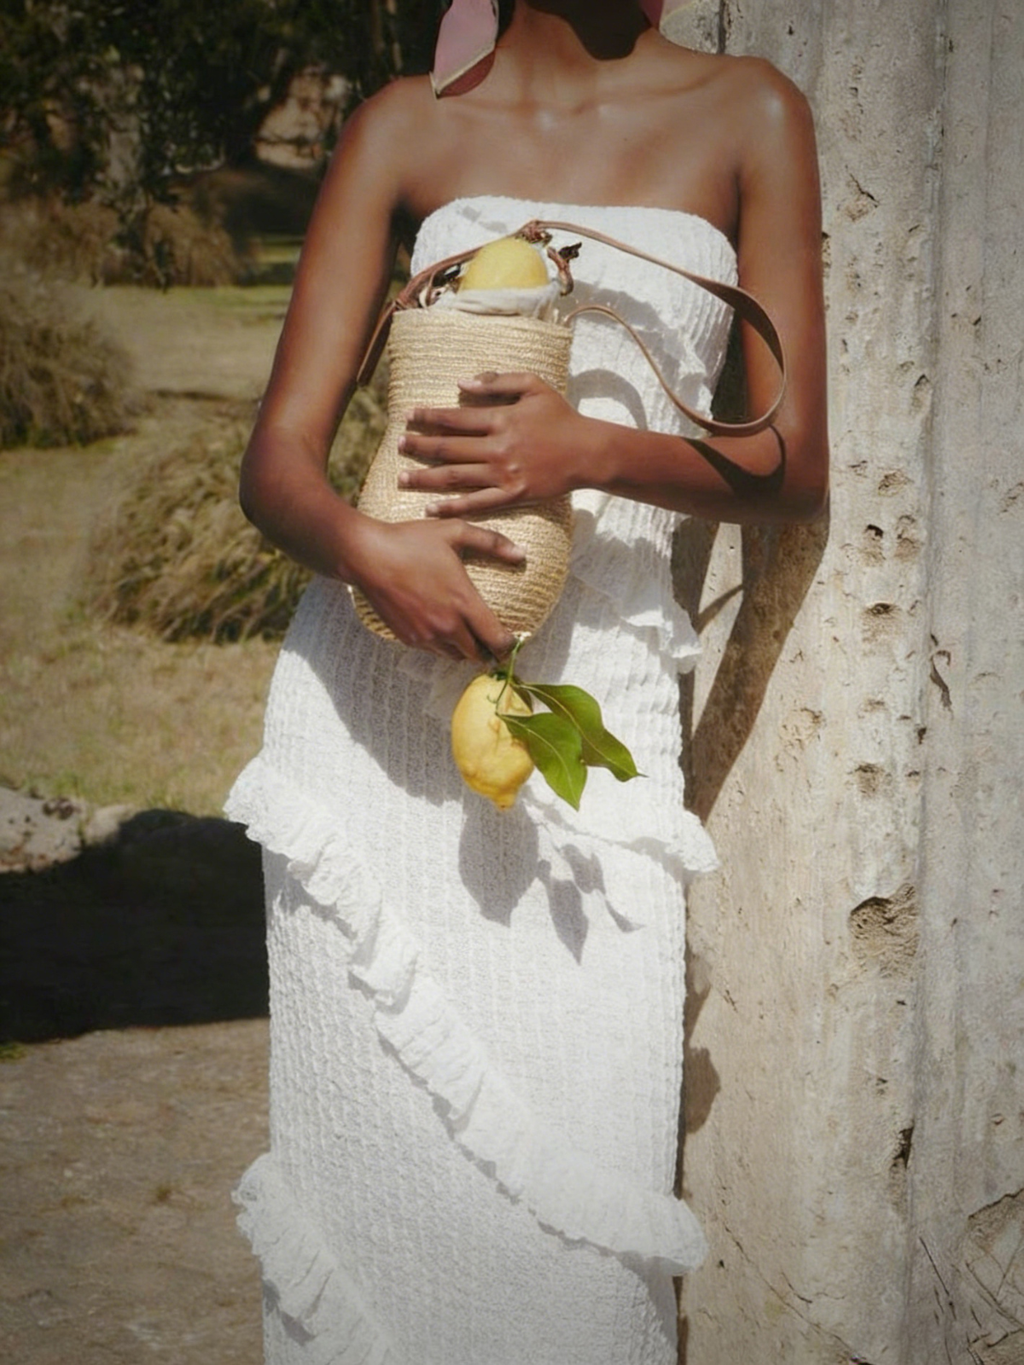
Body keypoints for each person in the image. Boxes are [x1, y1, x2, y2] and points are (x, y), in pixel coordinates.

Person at [226, 2, 829, 1362]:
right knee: (376, 1193)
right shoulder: (404, 124)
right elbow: (277, 462)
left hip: (591, 722)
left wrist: (591, 448)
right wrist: (369, 551)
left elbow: (794, 465)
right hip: (372, 715)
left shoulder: (750, 114)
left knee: (580, 1216)